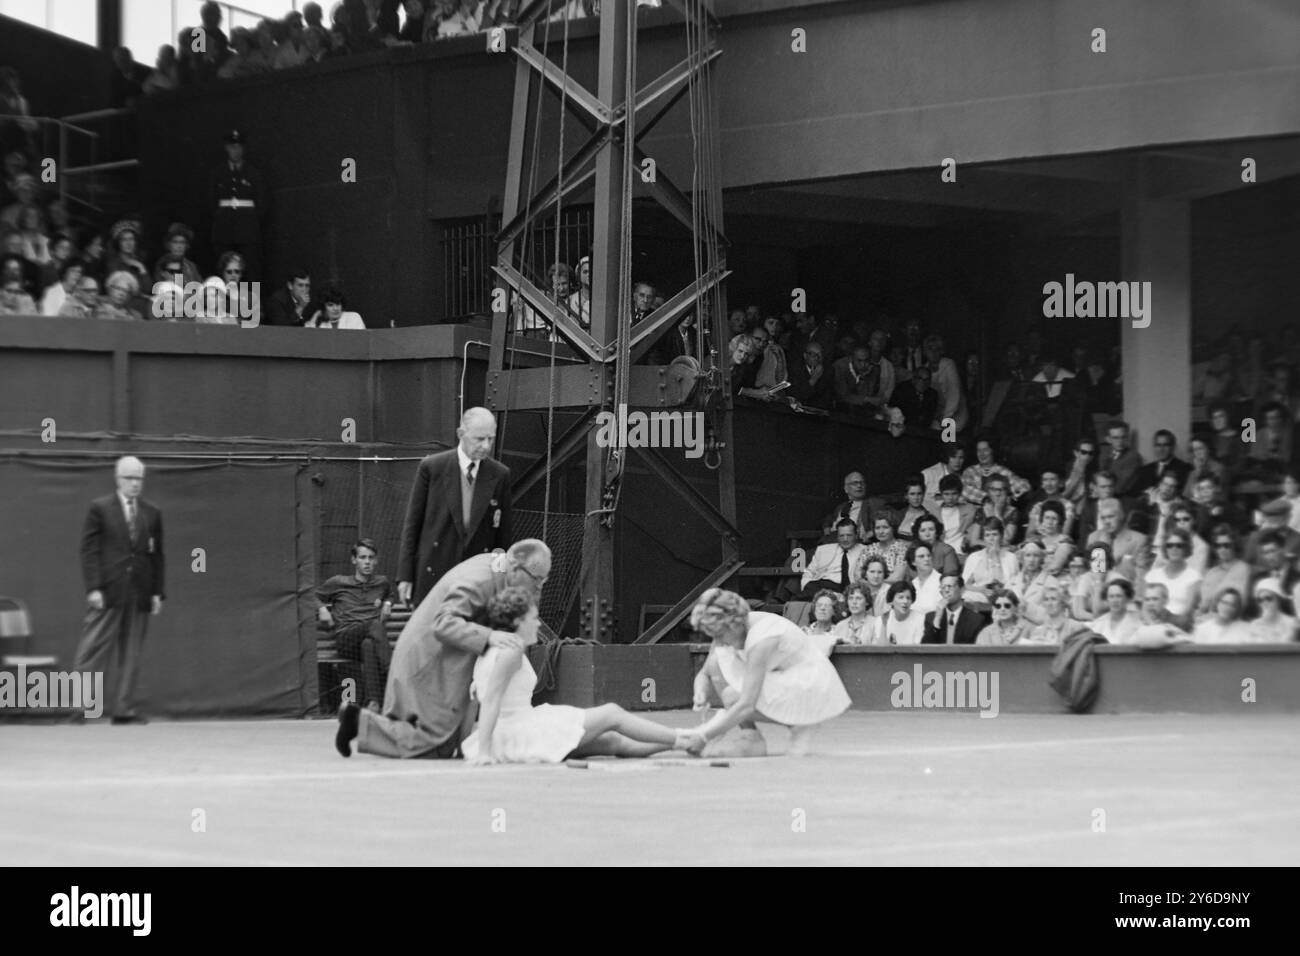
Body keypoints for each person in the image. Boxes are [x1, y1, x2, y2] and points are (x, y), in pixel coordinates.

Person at [337, 539, 550, 758]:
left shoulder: (499, 569)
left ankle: (357, 721)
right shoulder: (481, 580)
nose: (539, 586)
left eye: (544, 579)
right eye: (537, 579)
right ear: (515, 568)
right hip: (426, 660)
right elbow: (443, 623)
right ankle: (358, 722)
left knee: (442, 743)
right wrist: (490, 636)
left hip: (438, 660)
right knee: (433, 743)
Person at [463, 588, 698, 763]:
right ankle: (685, 737)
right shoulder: (511, 651)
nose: (537, 624)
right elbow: (491, 699)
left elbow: (476, 696)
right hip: (521, 732)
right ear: (517, 621)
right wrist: (484, 752)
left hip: (515, 734)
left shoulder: (488, 650)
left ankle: (685, 744)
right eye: (533, 618)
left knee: (611, 742)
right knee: (611, 713)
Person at [690, 588, 851, 756]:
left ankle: (801, 725)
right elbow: (705, 672)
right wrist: (699, 693)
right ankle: (751, 737)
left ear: (733, 625)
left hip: (814, 687)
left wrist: (704, 735)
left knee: (732, 695)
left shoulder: (762, 639)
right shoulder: (730, 628)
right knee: (718, 660)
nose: (718, 641)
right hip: (783, 676)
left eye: (720, 635)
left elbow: (746, 704)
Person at [73, 456, 164, 724]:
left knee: (132, 653)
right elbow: (88, 551)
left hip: (140, 592)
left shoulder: (152, 512)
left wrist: (157, 592)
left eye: (139, 479)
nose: (135, 484)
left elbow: (157, 555)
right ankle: (81, 708)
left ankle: (124, 711)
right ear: (118, 479)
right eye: (130, 478)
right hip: (108, 592)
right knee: (92, 650)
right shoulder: (99, 508)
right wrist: (93, 587)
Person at [397, 407, 514, 607]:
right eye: (479, 439)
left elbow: (502, 537)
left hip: (477, 580)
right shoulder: (432, 468)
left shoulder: (500, 474)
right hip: (435, 574)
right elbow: (412, 525)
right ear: (461, 434)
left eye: (490, 439)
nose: (486, 446)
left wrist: (500, 579)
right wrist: (405, 576)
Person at [316, 538, 393, 711]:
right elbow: (310, 596)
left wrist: (388, 603)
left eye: (371, 558)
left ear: (376, 560)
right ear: (354, 560)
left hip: (368, 641)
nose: (367, 562)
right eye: (362, 557)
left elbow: (390, 594)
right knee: (373, 625)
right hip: (346, 640)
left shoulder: (382, 583)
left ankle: (373, 702)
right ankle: (393, 672)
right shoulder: (338, 582)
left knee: (368, 645)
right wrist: (321, 608)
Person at [211, 129, 265, 279]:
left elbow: (261, 204)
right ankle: (224, 301)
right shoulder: (218, 173)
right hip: (224, 229)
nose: (235, 151)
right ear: (226, 148)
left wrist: (250, 221)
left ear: (243, 149)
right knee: (225, 267)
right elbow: (211, 202)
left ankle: (252, 302)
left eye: (238, 147)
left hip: (248, 229)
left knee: (251, 268)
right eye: (232, 147)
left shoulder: (253, 173)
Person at [797, 518, 864, 598]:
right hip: (823, 586)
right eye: (841, 536)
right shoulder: (823, 550)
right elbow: (809, 573)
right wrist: (806, 584)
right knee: (800, 599)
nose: (845, 539)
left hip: (849, 589)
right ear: (837, 537)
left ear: (856, 535)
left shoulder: (866, 551)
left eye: (849, 535)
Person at [922, 575, 984, 644]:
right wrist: (937, 620)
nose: (946, 590)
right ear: (940, 592)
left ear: (962, 590)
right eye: (943, 587)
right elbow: (925, 649)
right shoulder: (931, 618)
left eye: (949, 586)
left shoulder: (976, 619)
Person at [1087, 578, 1142, 644]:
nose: (1115, 600)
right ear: (1106, 599)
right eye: (1111, 596)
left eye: (1119, 596)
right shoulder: (1098, 624)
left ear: (1127, 598)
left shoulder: (1138, 622)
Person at [1246, 579, 1298, 643]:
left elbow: (1284, 648)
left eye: (1268, 598)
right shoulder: (1254, 625)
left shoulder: (1292, 623)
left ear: (1278, 600)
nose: (1264, 603)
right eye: (1260, 600)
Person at [874, 581, 925, 645]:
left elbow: (917, 648)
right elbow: (880, 649)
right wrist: (884, 624)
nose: (905, 601)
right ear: (891, 601)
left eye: (908, 598)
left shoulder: (920, 619)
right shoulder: (881, 620)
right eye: (901, 597)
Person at [904, 541, 943, 615]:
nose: (926, 559)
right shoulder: (912, 584)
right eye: (921, 556)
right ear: (913, 562)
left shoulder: (942, 581)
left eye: (929, 556)